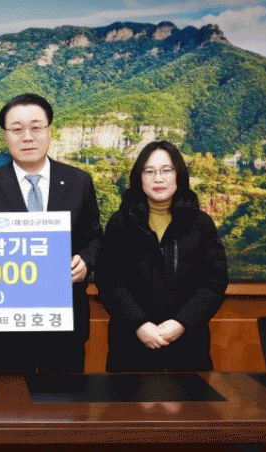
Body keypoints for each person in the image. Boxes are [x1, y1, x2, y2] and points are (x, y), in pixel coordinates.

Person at [0, 93, 103, 373]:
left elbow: (94, 237)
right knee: (9, 399)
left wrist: (86, 261)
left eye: (36, 127)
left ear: (49, 130)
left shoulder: (78, 181)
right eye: (17, 129)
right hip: (7, 326)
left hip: (65, 322)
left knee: (65, 399)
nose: (27, 137)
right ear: (6, 136)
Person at [96, 141, 228, 372]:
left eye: (166, 170)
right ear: (139, 177)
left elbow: (214, 283)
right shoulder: (120, 223)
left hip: (188, 346)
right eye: (149, 171)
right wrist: (139, 324)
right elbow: (109, 281)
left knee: (189, 397)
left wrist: (181, 323)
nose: (158, 179)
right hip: (130, 345)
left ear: (179, 175)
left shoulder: (200, 224)